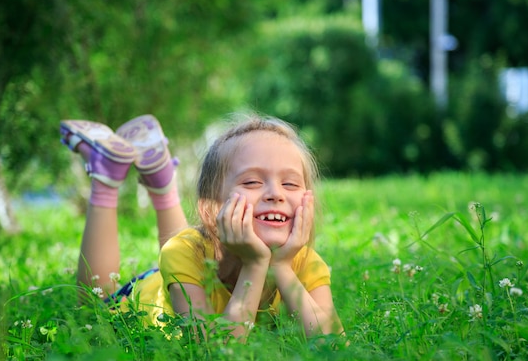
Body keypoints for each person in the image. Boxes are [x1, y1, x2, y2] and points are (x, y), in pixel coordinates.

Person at [59, 113, 343, 339]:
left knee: (187, 248)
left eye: (290, 183)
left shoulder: (304, 262)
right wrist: (255, 265)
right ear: (213, 205)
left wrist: (280, 266)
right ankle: (106, 176)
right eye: (252, 182)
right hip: (145, 296)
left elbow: (334, 346)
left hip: (183, 273)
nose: (275, 194)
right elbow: (216, 352)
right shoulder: (182, 252)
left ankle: (161, 179)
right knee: (93, 308)